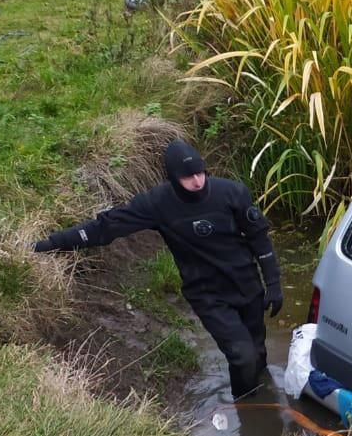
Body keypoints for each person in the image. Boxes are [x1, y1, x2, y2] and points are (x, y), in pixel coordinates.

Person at [33, 139, 284, 400]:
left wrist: (273, 283)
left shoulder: (232, 193)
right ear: (174, 178)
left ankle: (266, 399)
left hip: (246, 283)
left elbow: (259, 238)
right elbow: (106, 226)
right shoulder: (158, 204)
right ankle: (250, 413)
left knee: (257, 351)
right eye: (188, 177)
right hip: (207, 293)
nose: (197, 182)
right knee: (242, 356)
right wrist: (52, 244)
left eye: (200, 173)